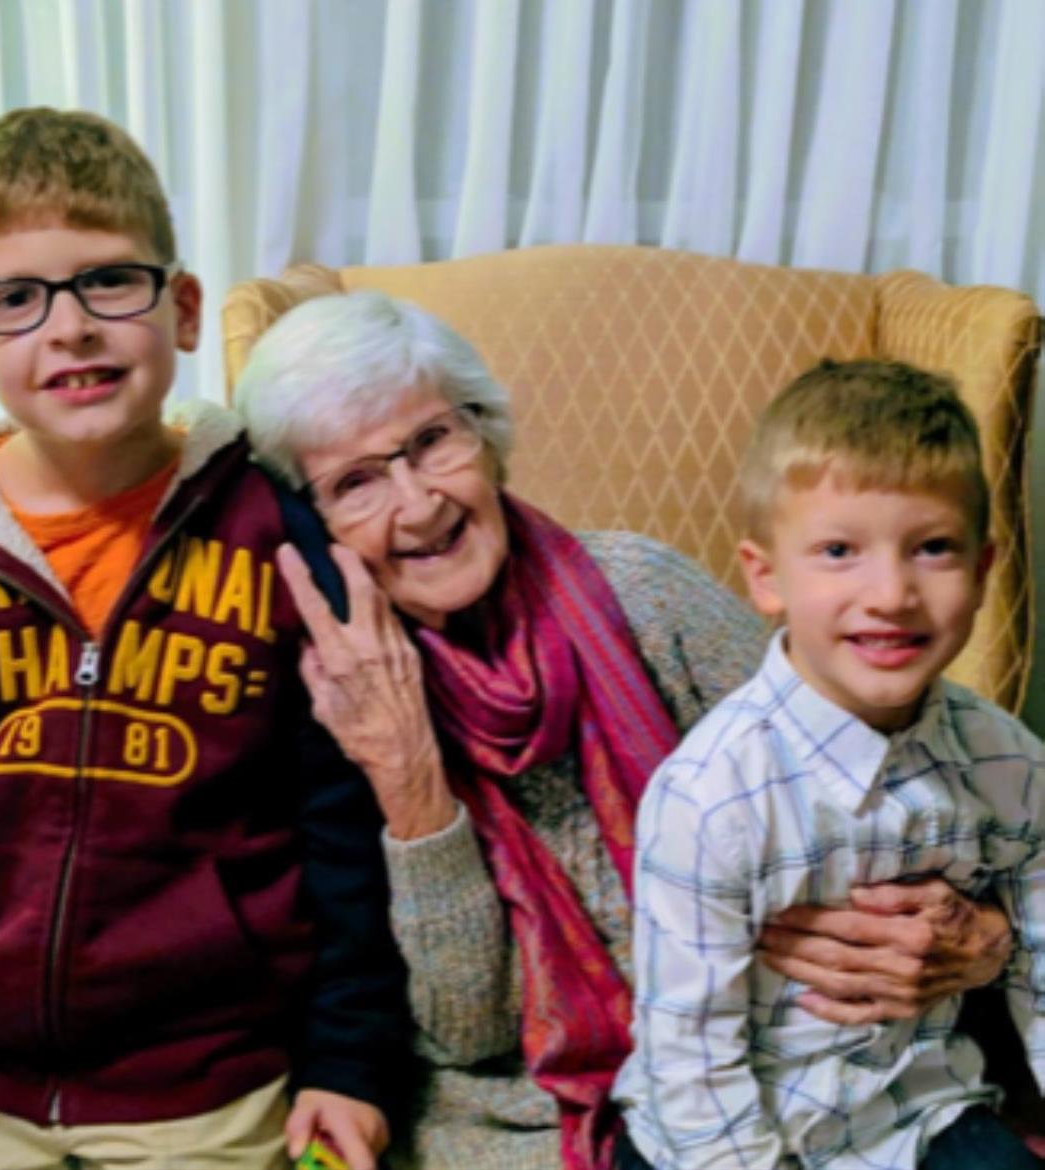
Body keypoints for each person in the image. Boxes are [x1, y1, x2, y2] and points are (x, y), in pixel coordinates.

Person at [235, 293, 1013, 1170]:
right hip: (523, 1122)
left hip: (786, 1065)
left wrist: (986, 937)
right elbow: (469, 1031)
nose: (417, 505)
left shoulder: (642, 591)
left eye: (431, 442)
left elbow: (880, 788)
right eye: (356, 483)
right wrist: (409, 775)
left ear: (485, 433)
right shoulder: (336, 694)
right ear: (310, 526)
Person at [0, 107, 407, 1170]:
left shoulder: (278, 536)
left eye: (109, 282)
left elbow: (340, 822)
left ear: (180, 310)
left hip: (209, 1084)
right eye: (15, 299)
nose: (70, 327)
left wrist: (350, 1060)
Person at [614, 358, 1045, 1170]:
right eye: (839, 550)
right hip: (727, 1129)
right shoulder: (710, 796)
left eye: (933, 548)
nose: (891, 593)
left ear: (984, 571)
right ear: (766, 577)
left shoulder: (1011, 763)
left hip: (917, 1112)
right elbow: (691, 1061)